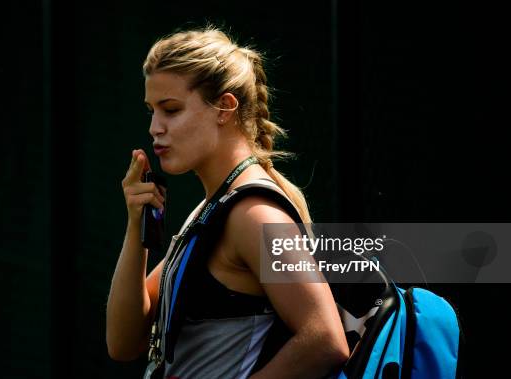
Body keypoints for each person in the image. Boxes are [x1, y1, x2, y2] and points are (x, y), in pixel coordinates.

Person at [106, 25, 349, 379]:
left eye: (171, 110)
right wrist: (135, 226)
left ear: (225, 107)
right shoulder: (212, 209)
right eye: (151, 111)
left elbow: (325, 340)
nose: (155, 127)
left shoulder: (253, 214)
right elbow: (124, 342)